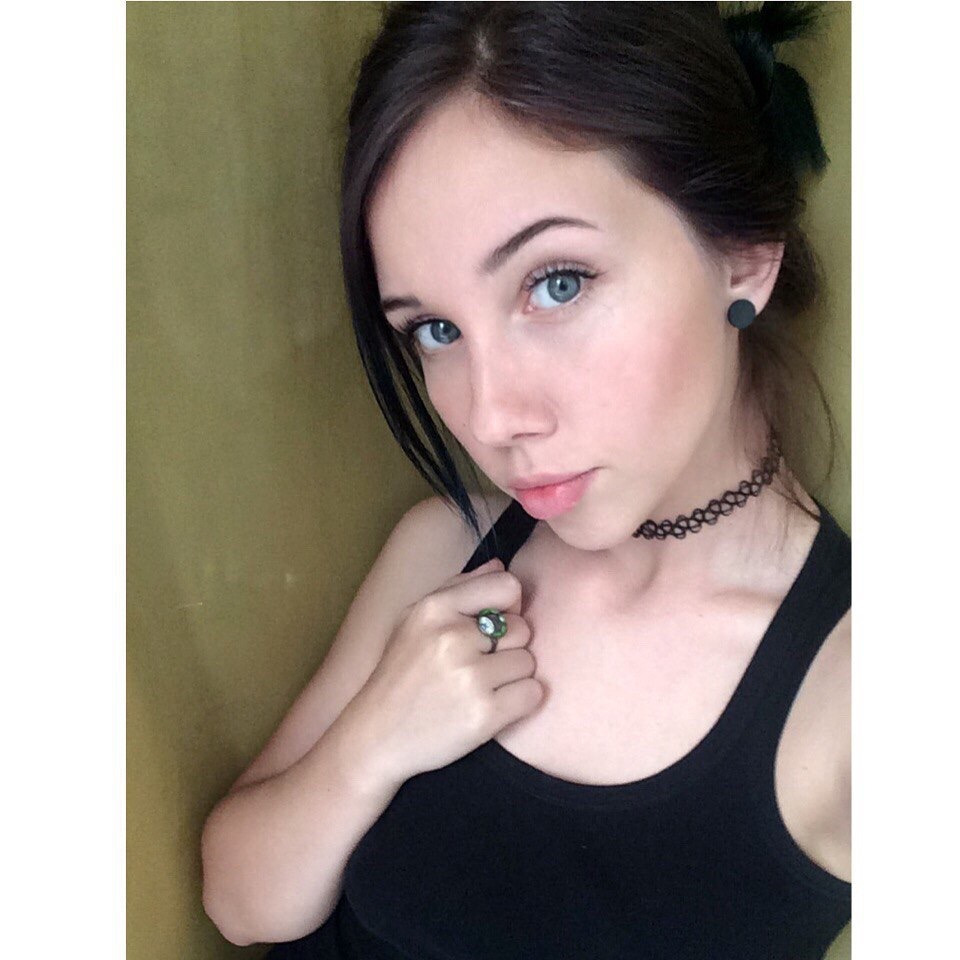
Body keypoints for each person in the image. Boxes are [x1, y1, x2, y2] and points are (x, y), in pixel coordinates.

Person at [200, 3, 851, 958]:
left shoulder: (852, 696)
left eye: (557, 283)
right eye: (435, 330)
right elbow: (239, 903)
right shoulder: (449, 548)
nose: (490, 416)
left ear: (744, 254)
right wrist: (373, 742)